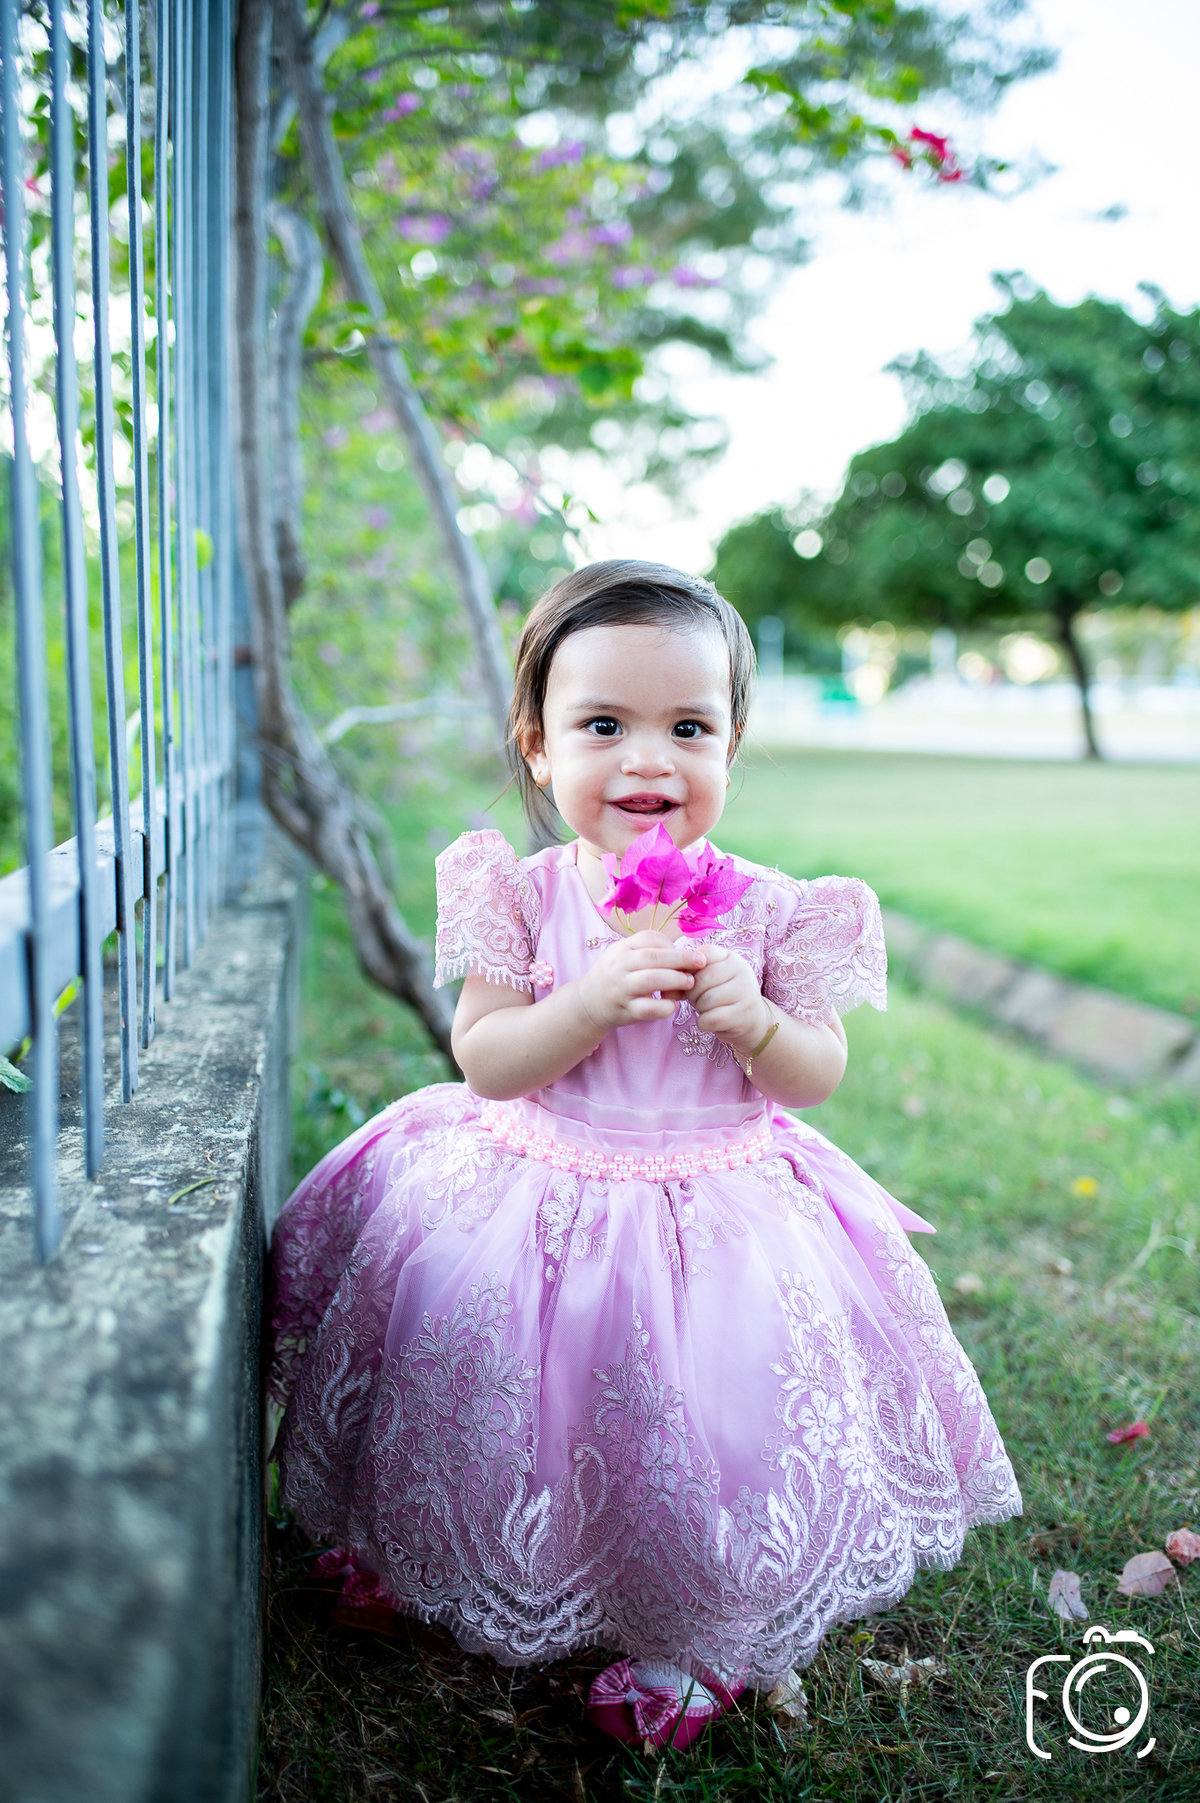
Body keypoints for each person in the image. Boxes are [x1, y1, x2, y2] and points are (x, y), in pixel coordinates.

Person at [266, 560, 1021, 1750]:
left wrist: (755, 1022)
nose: (648, 761)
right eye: (604, 726)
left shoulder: (772, 908)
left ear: (732, 743)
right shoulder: (520, 894)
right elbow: (488, 1057)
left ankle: (691, 1629)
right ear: (537, 747)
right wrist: (588, 1002)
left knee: (698, 1426)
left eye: (689, 728)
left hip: (715, 1210)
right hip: (533, 1184)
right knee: (489, 1393)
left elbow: (813, 1074)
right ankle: (426, 1553)